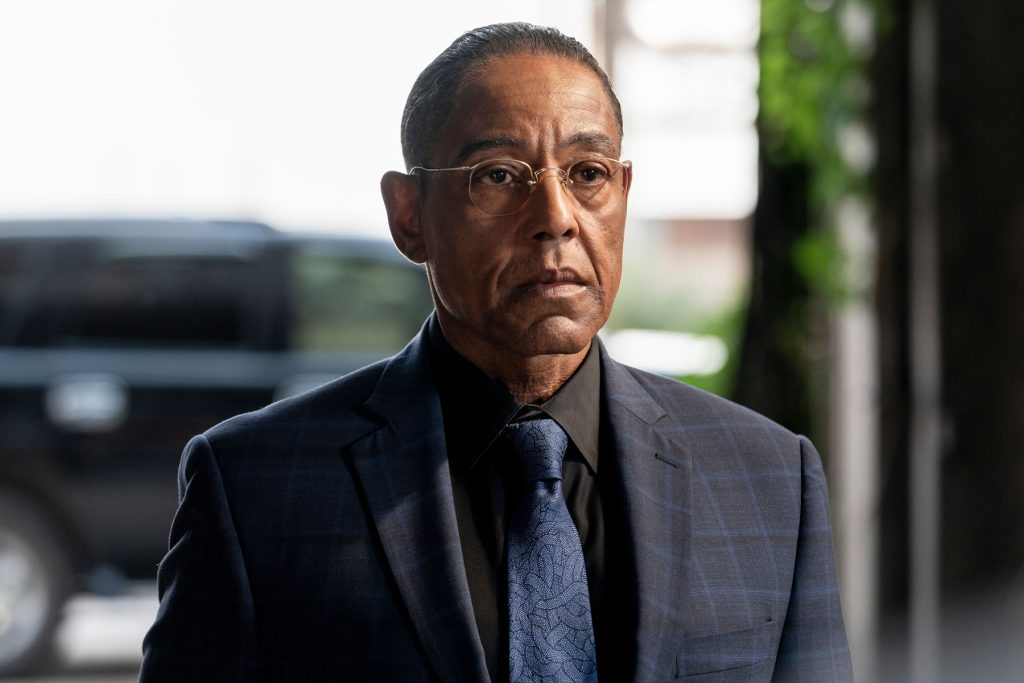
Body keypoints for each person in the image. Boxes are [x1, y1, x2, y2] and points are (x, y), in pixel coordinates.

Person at [140, 22, 852, 682]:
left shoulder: (768, 475)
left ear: (624, 193)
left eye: (588, 173)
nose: (556, 219)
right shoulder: (254, 487)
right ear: (409, 216)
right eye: (499, 175)